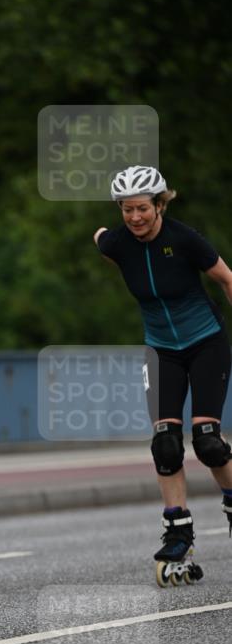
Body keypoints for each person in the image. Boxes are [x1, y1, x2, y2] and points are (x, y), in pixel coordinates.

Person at [94, 165, 232, 584]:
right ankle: (178, 532)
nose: (134, 217)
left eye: (141, 209)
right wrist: (104, 232)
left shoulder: (184, 239)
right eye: (126, 209)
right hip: (161, 352)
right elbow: (100, 236)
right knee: (166, 444)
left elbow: (226, 279)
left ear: (159, 205)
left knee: (207, 441)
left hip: (206, 342)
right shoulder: (117, 243)